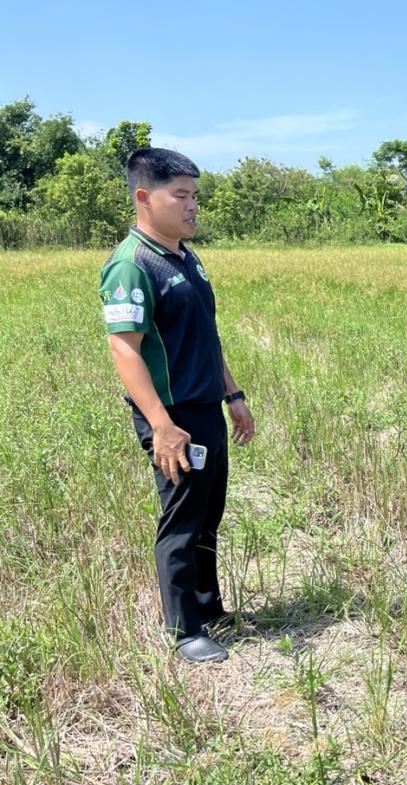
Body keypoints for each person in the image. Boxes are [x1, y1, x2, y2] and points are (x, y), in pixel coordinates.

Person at [100, 148, 256, 664]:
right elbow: (124, 349)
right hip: (173, 416)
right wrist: (162, 426)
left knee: (209, 512)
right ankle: (185, 630)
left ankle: (209, 609)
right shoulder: (132, 265)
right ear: (145, 197)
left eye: (195, 196)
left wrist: (233, 394)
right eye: (181, 196)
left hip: (206, 406)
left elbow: (206, 335)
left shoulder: (186, 257)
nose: (192, 206)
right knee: (182, 519)